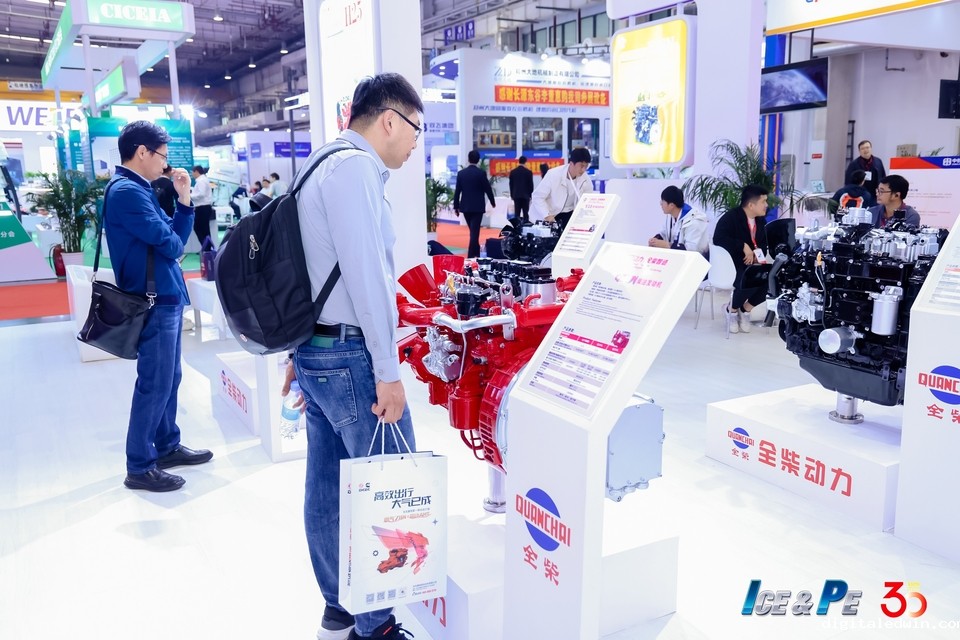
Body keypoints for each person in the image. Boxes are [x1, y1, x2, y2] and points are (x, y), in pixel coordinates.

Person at [281, 72, 422, 640]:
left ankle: (340, 607)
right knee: (388, 489)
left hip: (315, 350)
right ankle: (377, 625)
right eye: (415, 130)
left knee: (326, 487)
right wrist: (388, 372)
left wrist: (295, 352)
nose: (415, 143)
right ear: (389, 119)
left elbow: (303, 270)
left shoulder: (320, 163)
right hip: (350, 355)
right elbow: (367, 277)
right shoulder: (357, 169)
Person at [104, 121, 213, 492]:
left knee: (169, 377)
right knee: (155, 382)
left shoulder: (139, 189)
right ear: (142, 152)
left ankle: (166, 446)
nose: (165, 164)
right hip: (152, 299)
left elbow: (176, 237)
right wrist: (172, 238)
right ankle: (139, 465)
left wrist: (184, 199)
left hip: (164, 296)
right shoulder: (127, 192)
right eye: (162, 156)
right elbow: (173, 245)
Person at [712, 184, 770, 335]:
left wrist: (757, 254)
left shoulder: (761, 221)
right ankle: (731, 310)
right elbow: (719, 239)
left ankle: (745, 309)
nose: (766, 205)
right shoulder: (731, 218)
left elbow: (763, 244)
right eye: (763, 201)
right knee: (749, 278)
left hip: (753, 264)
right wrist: (742, 245)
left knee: (772, 278)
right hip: (732, 264)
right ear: (751, 205)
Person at [530, 147, 594, 230]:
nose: (583, 170)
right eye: (581, 166)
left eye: (586, 166)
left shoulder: (585, 180)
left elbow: (588, 200)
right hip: (547, 214)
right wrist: (547, 216)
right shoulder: (554, 175)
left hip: (567, 214)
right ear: (571, 163)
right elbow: (537, 197)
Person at [453, 149, 497, 258]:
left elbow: (457, 191)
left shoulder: (461, 174)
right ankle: (471, 255)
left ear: (468, 159)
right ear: (478, 160)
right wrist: (492, 201)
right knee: (474, 231)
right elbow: (488, 189)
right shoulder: (481, 173)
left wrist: (456, 207)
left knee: (473, 231)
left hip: (466, 207)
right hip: (477, 207)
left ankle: (475, 252)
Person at [648, 185, 709, 254]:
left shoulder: (694, 221)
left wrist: (667, 245)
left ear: (671, 205)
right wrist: (655, 240)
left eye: (663, 201)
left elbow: (690, 250)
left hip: (696, 259)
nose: (660, 204)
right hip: (676, 257)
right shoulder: (671, 216)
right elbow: (664, 233)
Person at [190, 165, 213, 247]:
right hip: (203, 207)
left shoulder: (201, 181)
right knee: (203, 229)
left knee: (199, 228)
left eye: (192, 172)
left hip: (202, 207)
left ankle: (207, 247)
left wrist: (190, 196)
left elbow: (201, 194)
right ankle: (207, 247)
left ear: (196, 171)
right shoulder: (203, 180)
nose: (192, 174)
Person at [508, 155, 534, 223]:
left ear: (519, 162)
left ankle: (517, 226)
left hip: (516, 195)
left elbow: (511, 184)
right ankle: (526, 225)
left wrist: (512, 195)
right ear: (525, 162)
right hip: (526, 196)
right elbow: (531, 185)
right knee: (526, 213)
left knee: (517, 213)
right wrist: (531, 195)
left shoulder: (513, 172)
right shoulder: (528, 172)